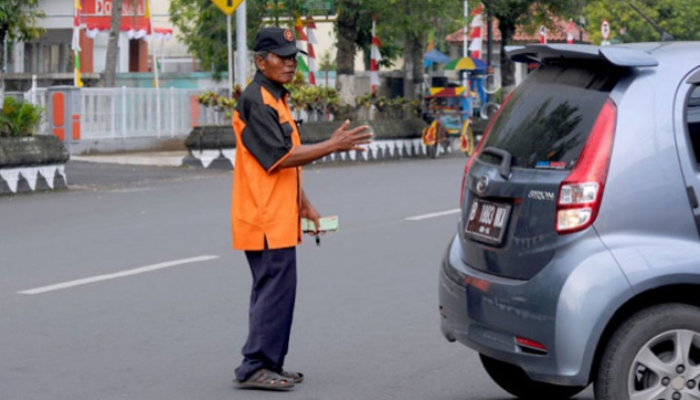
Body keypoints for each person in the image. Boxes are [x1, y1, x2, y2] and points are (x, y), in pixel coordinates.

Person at [230, 27, 373, 391]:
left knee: (279, 290)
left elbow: (286, 165)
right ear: (260, 62)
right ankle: (254, 366)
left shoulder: (276, 99)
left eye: (293, 56)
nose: (291, 63)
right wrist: (332, 145)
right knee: (273, 289)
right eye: (282, 56)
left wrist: (305, 205)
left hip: (279, 214)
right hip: (263, 216)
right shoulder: (256, 101)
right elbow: (280, 157)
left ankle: (270, 363)